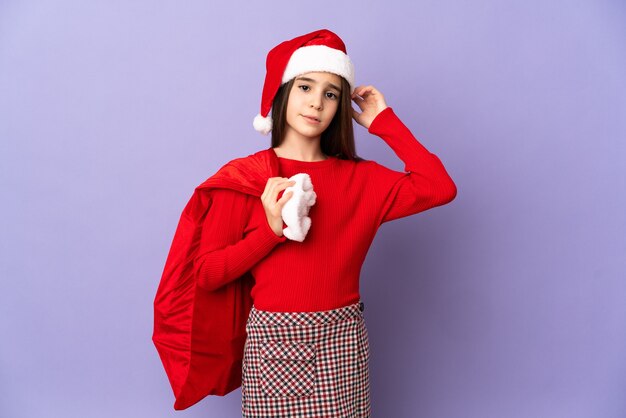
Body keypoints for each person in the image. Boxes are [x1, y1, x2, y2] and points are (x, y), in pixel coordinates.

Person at [153, 28, 457, 416]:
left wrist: (384, 122)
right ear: (282, 93)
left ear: (340, 107)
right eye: (305, 88)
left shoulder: (363, 179)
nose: (316, 103)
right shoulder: (247, 178)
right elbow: (208, 274)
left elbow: (439, 187)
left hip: (344, 343)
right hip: (275, 343)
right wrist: (270, 231)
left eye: (331, 94)